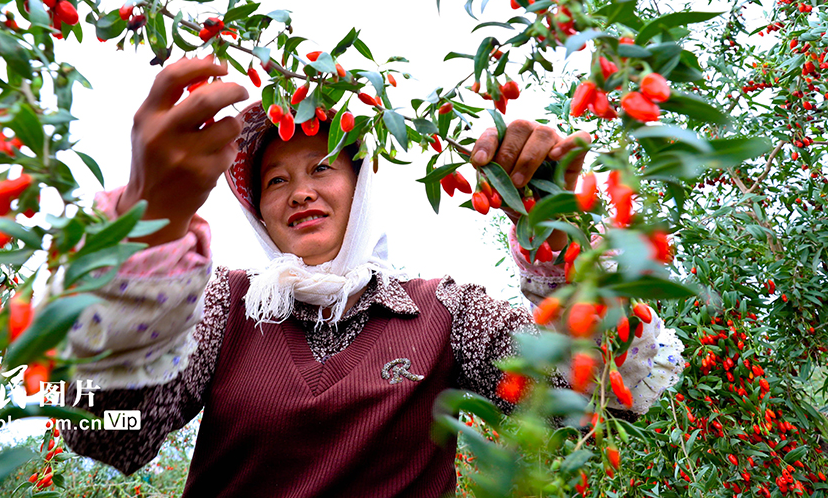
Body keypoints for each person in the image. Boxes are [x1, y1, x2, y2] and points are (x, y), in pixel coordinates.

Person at [62, 55, 683, 497]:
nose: (300, 191)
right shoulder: (223, 306)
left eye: (323, 167)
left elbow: (581, 399)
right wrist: (144, 245)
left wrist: (559, 246)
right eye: (275, 180)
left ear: (363, 189)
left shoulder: (445, 312)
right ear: (256, 211)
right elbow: (107, 435)